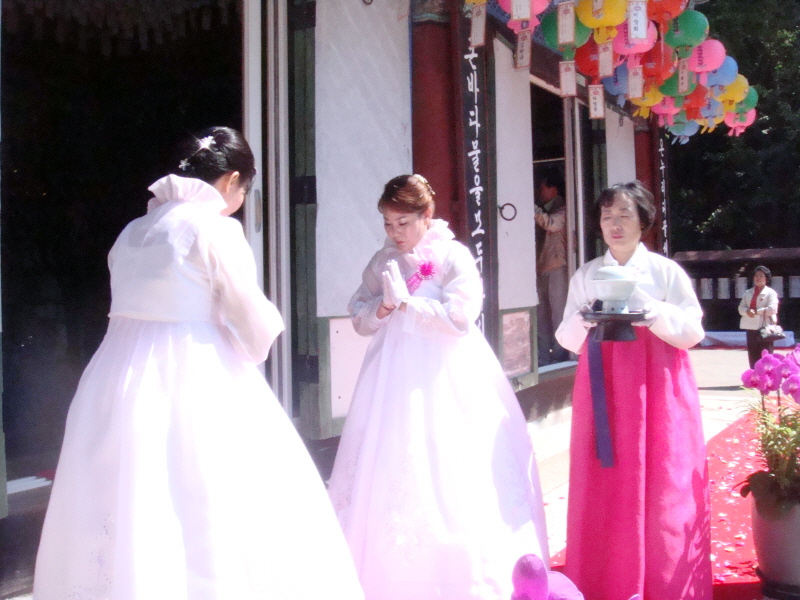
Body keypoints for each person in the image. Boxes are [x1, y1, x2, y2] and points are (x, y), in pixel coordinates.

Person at [33, 127, 364, 600]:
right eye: (245, 189)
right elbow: (252, 326)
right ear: (231, 181)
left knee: (131, 493)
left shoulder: (134, 230)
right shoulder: (215, 229)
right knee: (204, 498)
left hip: (117, 375)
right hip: (194, 372)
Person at [327, 174, 549, 600]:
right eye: (388, 224)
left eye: (404, 223)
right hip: (392, 372)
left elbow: (461, 317)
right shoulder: (383, 260)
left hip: (448, 371)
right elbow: (359, 314)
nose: (395, 233)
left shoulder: (452, 255)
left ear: (426, 215)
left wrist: (408, 303)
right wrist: (383, 306)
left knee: (452, 461)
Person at [555, 181, 711, 600]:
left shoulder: (664, 272)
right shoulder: (587, 275)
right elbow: (567, 339)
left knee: (665, 480)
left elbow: (693, 331)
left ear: (644, 221)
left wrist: (650, 309)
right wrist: (587, 316)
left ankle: (665, 585)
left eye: (625, 215)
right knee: (604, 479)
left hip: (658, 386)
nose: (615, 224)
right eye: (607, 216)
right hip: (603, 386)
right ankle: (604, 581)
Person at [534, 166, 569, 364]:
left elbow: (551, 224)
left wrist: (530, 207)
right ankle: (545, 357)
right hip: (543, 267)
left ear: (553, 189)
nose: (539, 192)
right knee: (542, 315)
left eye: (542, 188)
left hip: (557, 268)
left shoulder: (563, 209)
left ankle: (560, 356)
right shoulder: (548, 208)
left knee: (558, 314)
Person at [738, 265, 780, 368]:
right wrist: (747, 311)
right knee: (753, 354)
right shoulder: (748, 292)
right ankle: (754, 374)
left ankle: (767, 374)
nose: (758, 278)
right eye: (756, 276)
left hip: (765, 327)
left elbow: (772, 309)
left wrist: (757, 311)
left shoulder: (771, 293)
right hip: (751, 326)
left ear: (766, 278)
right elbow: (741, 308)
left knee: (766, 354)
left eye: (761, 276)